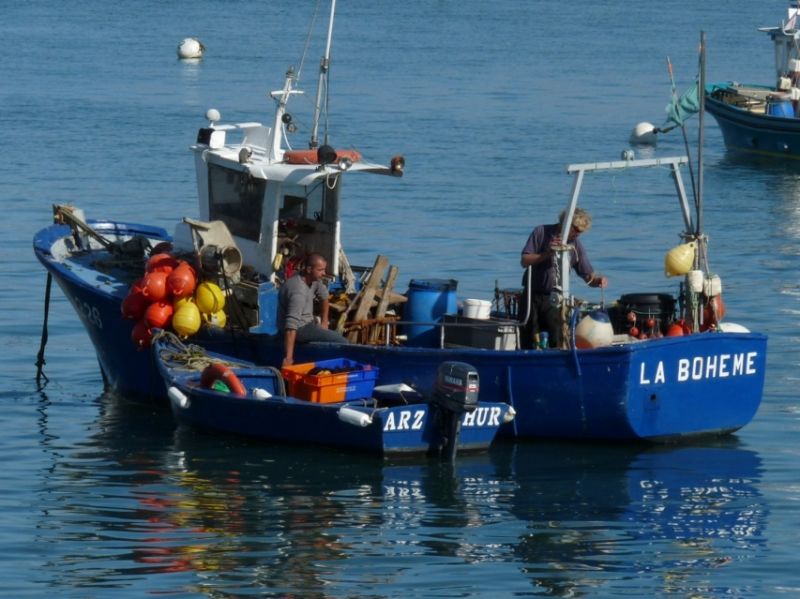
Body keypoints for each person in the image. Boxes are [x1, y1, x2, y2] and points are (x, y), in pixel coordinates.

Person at [519, 207, 608, 349]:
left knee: (556, 339)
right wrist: (546, 254)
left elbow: (587, 276)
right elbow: (524, 260)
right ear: (566, 223)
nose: (578, 234)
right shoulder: (541, 232)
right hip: (532, 295)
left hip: (556, 300)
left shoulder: (575, 246)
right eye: (576, 230)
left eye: (581, 232)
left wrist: (597, 281)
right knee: (529, 338)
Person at [278, 252, 348, 366]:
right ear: (309, 269)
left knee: (331, 334)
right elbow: (291, 327)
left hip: (307, 322)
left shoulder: (314, 280)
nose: (324, 273)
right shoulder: (298, 292)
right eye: (320, 270)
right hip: (299, 328)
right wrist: (288, 358)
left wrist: (324, 321)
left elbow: (324, 297)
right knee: (342, 342)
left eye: (324, 269)